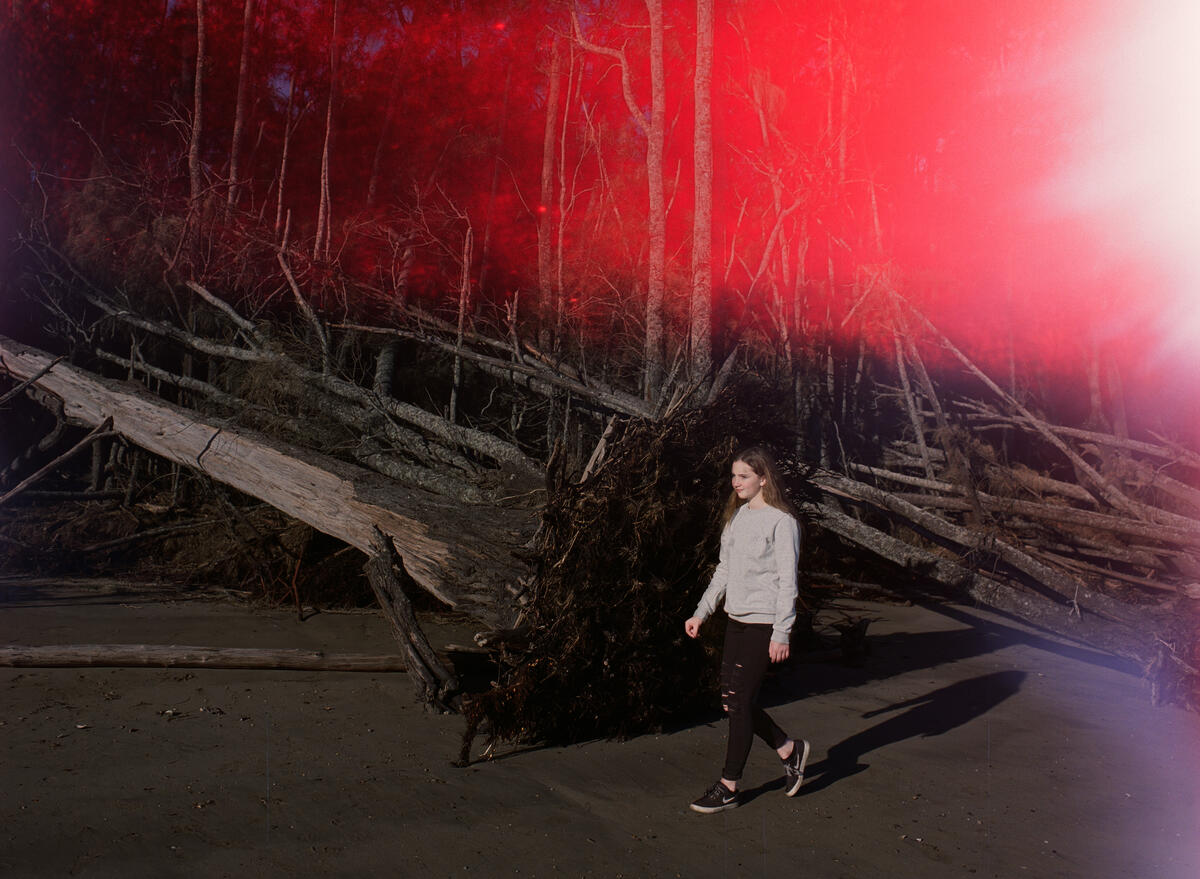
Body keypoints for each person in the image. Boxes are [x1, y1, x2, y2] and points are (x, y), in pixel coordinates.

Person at [684, 445, 809, 814]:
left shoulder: (781, 522)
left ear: (763, 479)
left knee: (739, 703)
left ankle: (729, 786)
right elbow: (724, 569)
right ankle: (789, 749)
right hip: (735, 620)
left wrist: (782, 632)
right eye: (734, 476)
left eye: (744, 476)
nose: (736, 482)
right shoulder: (737, 517)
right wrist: (701, 612)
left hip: (764, 622)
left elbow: (788, 581)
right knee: (732, 702)